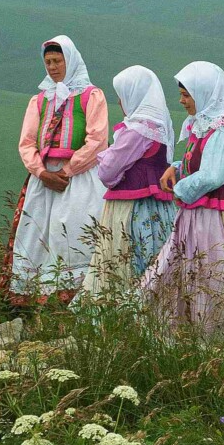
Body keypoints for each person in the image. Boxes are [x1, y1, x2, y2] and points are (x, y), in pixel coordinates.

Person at [140, 61, 224, 331]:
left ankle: (219, 335)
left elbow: (214, 174)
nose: (182, 101)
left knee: (215, 273)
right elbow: (199, 162)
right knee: (190, 270)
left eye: (186, 95)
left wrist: (180, 188)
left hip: (216, 219)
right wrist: (177, 168)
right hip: (198, 214)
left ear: (204, 93)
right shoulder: (204, 125)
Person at [5, 36, 108, 304]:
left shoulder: (91, 96)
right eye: (48, 62)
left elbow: (97, 140)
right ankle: (35, 300)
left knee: (73, 232)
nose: (52, 67)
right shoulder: (39, 100)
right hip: (44, 179)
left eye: (57, 61)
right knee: (36, 232)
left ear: (70, 60)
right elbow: (26, 142)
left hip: (79, 177)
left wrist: (68, 170)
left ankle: (74, 300)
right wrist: (41, 173)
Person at [79, 65, 178, 299]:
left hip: (131, 208)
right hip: (160, 207)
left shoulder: (137, 130)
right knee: (157, 257)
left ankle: (121, 308)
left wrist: (105, 158)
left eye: (121, 97)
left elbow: (107, 170)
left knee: (123, 258)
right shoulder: (161, 126)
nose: (121, 103)